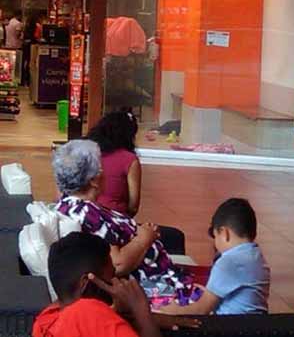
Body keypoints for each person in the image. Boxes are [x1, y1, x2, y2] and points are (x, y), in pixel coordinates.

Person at [52, 140, 196, 304]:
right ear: (93, 180)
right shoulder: (86, 214)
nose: (103, 173)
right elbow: (117, 264)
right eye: (100, 169)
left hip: (154, 276)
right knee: (210, 299)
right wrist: (144, 238)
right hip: (150, 287)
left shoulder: (70, 205)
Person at [33, 231, 162, 337]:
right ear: (88, 284)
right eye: (112, 276)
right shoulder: (88, 312)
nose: (116, 283)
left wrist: (114, 312)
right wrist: (141, 310)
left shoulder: (45, 320)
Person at [158, 198, 270, 316]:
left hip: (231, 324)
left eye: (215, 236)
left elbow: (202, 310)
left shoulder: (228, 262)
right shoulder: (256, 255)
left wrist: (174, 311)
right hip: (256, 321)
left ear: (224, 233)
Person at [87, 111, 142, 216]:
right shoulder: (130, 160)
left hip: (83, 214)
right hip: (114, 216)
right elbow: (133, 206)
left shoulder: (87, 152)